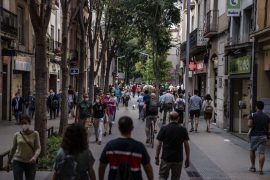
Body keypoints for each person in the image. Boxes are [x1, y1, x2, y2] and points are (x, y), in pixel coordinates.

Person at [155, 112, 190, 180]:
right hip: (178, 158)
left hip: (166, 158)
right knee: (176, 178)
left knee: (162, 176)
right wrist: (187, 158)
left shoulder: (164, 128)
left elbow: (159, 144)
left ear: (169, 118)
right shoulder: (183, 129)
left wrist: (157, 156)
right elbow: (186, 145)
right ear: (178, 118)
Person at [9, 115, 41, 180]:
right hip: (18, 161)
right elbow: (13, 148)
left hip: (31, 162)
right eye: (22, 123)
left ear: (29, 123)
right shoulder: (17, 134)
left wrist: (35, 157)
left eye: (25, 123)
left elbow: (38, 148)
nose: (24, 125)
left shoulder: (35, 134)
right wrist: (8, 161)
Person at [248, 101, 270, 175]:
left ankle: (253, 167)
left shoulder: (252, 115)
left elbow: (249, 125)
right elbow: (268, 127)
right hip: (263, 136)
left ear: (256, 107)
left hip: (254, 135)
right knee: (262, 153)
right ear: (263, 107)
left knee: (252, 150)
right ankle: (261, 169)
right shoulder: (266, 116)